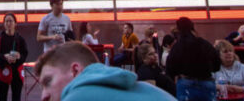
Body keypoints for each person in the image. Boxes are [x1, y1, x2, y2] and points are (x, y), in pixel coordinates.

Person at [35, 41, 175, 101]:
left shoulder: (78, 97)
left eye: (48, 81)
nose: (43, 96)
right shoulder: (148, 91)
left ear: (75, 71)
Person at [165, 17, 220, 101]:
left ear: (178, 29)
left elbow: (170, 68)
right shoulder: (204, 43)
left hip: (186, 83)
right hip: (206, 81)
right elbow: (217, 64)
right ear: (192, 27)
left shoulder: (177, 47)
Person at [0, 13, 28, 101]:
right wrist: (4, 57)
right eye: (6, 21)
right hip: (3, 70)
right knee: (2, 97)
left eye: (11, 21)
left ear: (15, 23)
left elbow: (24, 54)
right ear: (4, 24)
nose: (8, 23)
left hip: (17, 72)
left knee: (16, 97)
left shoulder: (20, 39)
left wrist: (18, 57)